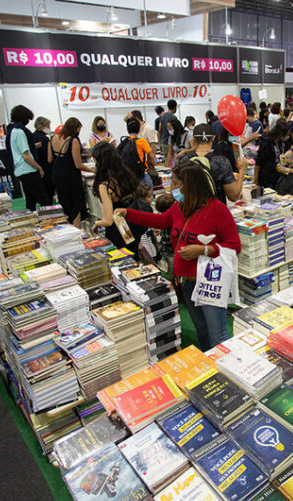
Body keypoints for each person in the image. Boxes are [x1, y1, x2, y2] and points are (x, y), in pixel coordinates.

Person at [114, 163, 241, 350]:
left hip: (209, 281)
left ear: (189, 185)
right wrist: (128, 213)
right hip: (186, 282)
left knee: (218, 333)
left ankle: (222, 369)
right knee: (201, 329)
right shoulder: (180, 207)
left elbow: (234, 246)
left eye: (175, 183)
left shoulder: (217, 210)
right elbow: (159, 220)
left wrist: (202, 250)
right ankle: (207, 362)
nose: (171, 188)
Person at [89, 143, 153, 255]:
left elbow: (108, 221)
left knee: (122, 258)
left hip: (120, 226)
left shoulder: (105, 186)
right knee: (134, 255)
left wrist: (97, 223)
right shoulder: (127, 175)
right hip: (134, 220)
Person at [176, 124, 247, 204]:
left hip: (190, 212)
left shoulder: (183, 160)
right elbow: (234, 196)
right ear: (213, 138)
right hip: (214, 212)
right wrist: (241, 170)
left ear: (193, 139)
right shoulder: (221, 162)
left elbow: (176, 191)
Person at [6, 105, 49, 211]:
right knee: (44, 200)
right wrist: (39, 167)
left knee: (31, 201)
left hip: (21, 170)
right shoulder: (19, 132)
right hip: (27, 169)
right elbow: (26, 156)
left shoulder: (11, 130)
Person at [50, 117, 90, 227]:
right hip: (71, 177)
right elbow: (78, 164)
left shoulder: (53, 138)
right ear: (75, 128)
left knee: (64, 204)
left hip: (58, 176)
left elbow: (50, 159)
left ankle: (68, 229)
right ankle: (77, 230)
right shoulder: (73, 141)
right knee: (75, 206)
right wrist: (93, 170)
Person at [256, 120, 291, 190]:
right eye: (286, 134)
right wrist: (255, 181)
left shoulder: (281, 143)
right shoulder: (267, 143)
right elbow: (258, 162)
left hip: (278, 176)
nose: (287, 137)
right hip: (266, 177)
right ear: (281, 133)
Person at [33, 117, 54, 200]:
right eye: (48, 127)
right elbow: (49, 158)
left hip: (35, 167)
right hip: (46, 169)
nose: (49, 129)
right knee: (48, 193)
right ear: (41, 126)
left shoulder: (32, 137)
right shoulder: (44, 139)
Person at [160, 99, 181, 167]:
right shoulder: (173, 117)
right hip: (171, 142)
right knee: (173, 162)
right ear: (175, 107)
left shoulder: (162, 116)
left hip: (163, 141)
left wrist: (160, 142)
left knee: (167, 160)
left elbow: (159, 130)